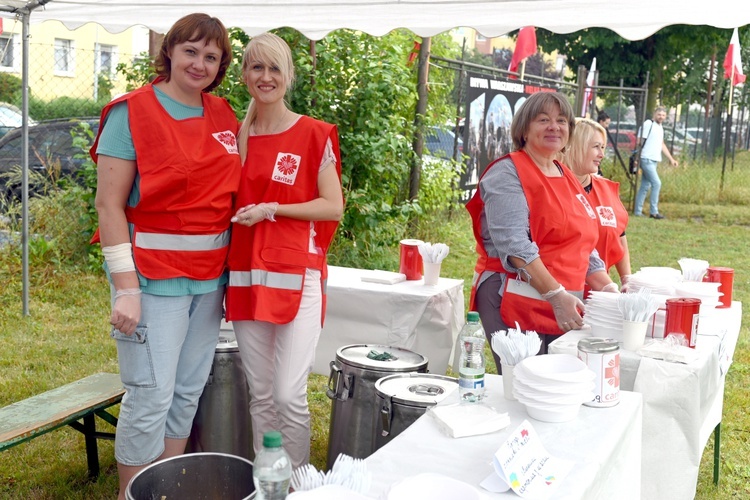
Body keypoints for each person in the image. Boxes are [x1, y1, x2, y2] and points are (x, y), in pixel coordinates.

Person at [91, 13, 239, 498]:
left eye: (211, 56)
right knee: (150, 397)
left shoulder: (224, 115)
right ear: (170, 51)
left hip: (208, 282)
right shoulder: (130, 112)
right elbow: (109, 205)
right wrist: (126, 289)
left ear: (220, 66)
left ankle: (166, 486)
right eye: (191, 51)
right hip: (151, 282)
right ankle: (131, 493)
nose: (200, 63)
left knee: (187, 392)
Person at [225, 32, 344, 468]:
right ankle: (268, 482)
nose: (266, 76)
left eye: (275, 68)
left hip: (298, 276)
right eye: (257, 67)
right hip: (245, 276)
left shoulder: (312, 134)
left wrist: (272, 209)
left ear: (288, 76)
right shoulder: (235, 137)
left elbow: (332, 207)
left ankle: (296, 483)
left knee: (289, 394)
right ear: (244, 75)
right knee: (261, 395)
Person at [466, 92, 616, 371]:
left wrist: (607, 289)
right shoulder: (507, 173)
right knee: (526, 385)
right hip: (512, 296)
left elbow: (582, 243)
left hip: (560, 300)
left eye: (561, 120)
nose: (554, 127)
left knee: (558, 385)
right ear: (524, 129)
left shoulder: (565, 173)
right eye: (543, 119)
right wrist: (555, 295)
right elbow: (514, 246)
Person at [566, 118, 631, 287]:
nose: (601, 154)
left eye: (603, 147)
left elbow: (620, 236)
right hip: (561, 291)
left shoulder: (606, 190)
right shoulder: (552, 187)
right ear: (576, 146)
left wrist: (627, 280)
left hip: (601, 291)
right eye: (596, 147)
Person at [634, 106, 679, 219]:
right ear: (655, 114)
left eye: (663, 115)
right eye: (659, 114)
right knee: (657, 183)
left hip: (654, 159)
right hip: (646, 158)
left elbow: (661, 144)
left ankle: (637, 212)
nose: (661, 117)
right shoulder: (648, 124)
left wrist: (671, 159)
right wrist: (637, 158)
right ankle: (654, 212)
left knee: (645, 185)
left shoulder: (660, 127)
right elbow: (640, 140)